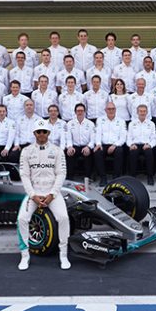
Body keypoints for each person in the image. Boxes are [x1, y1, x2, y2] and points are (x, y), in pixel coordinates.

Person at [16, 119, 70, 271]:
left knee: (63, 218)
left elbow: (61, 174)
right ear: (34, 133)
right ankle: (24, 255)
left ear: (48, 133)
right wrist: (33, 195)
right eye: (38, 132)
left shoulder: (57, 151)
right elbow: (24, 175)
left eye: (44, 131)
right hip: (34, 193)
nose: (41, 134)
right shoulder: (26, 151)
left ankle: (63, 255)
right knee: (21, 219)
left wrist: (52, 194)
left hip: (52, 193)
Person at [94, 102, 127, 186]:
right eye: (109, 109)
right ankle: (103, 178)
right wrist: (98, 144)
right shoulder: (100, 120)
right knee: (97, 152)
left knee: (119, 151)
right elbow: (98, 133)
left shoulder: (121, 121)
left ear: (115, 110)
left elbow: (123, 137)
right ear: (105, 110)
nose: (111, 111)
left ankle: (116, 178)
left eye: (113, 109)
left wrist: (115, 145)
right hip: (103, 144)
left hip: (116, 144)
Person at [127, 105, 156, 184]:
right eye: (140, 111)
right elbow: (129, 137)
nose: (142, 113)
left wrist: (150, 145)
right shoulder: (132, 124)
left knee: (149, 153)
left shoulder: (151, 124)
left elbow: (154, 138)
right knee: (133, 153)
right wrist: (131, 144)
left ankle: (150, 176)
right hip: (135, 145)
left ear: (147, 112)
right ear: (137, 112)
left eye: (144, 111)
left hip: (146, 144)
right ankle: (132, 177)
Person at [65, 103, 95, 180]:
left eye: (82, 110)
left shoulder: (90, 124)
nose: (80, 112)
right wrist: (70, 147)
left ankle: (88, 177)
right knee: (69, 153)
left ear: (85, 112)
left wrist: (88, 147)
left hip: (86, 146)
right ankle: (70, 177)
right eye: (78, 111)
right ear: (75, 112)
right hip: (75, 146)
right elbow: (68, 138)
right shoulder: (70, 124)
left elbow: (93, 139)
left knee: (88, 154)